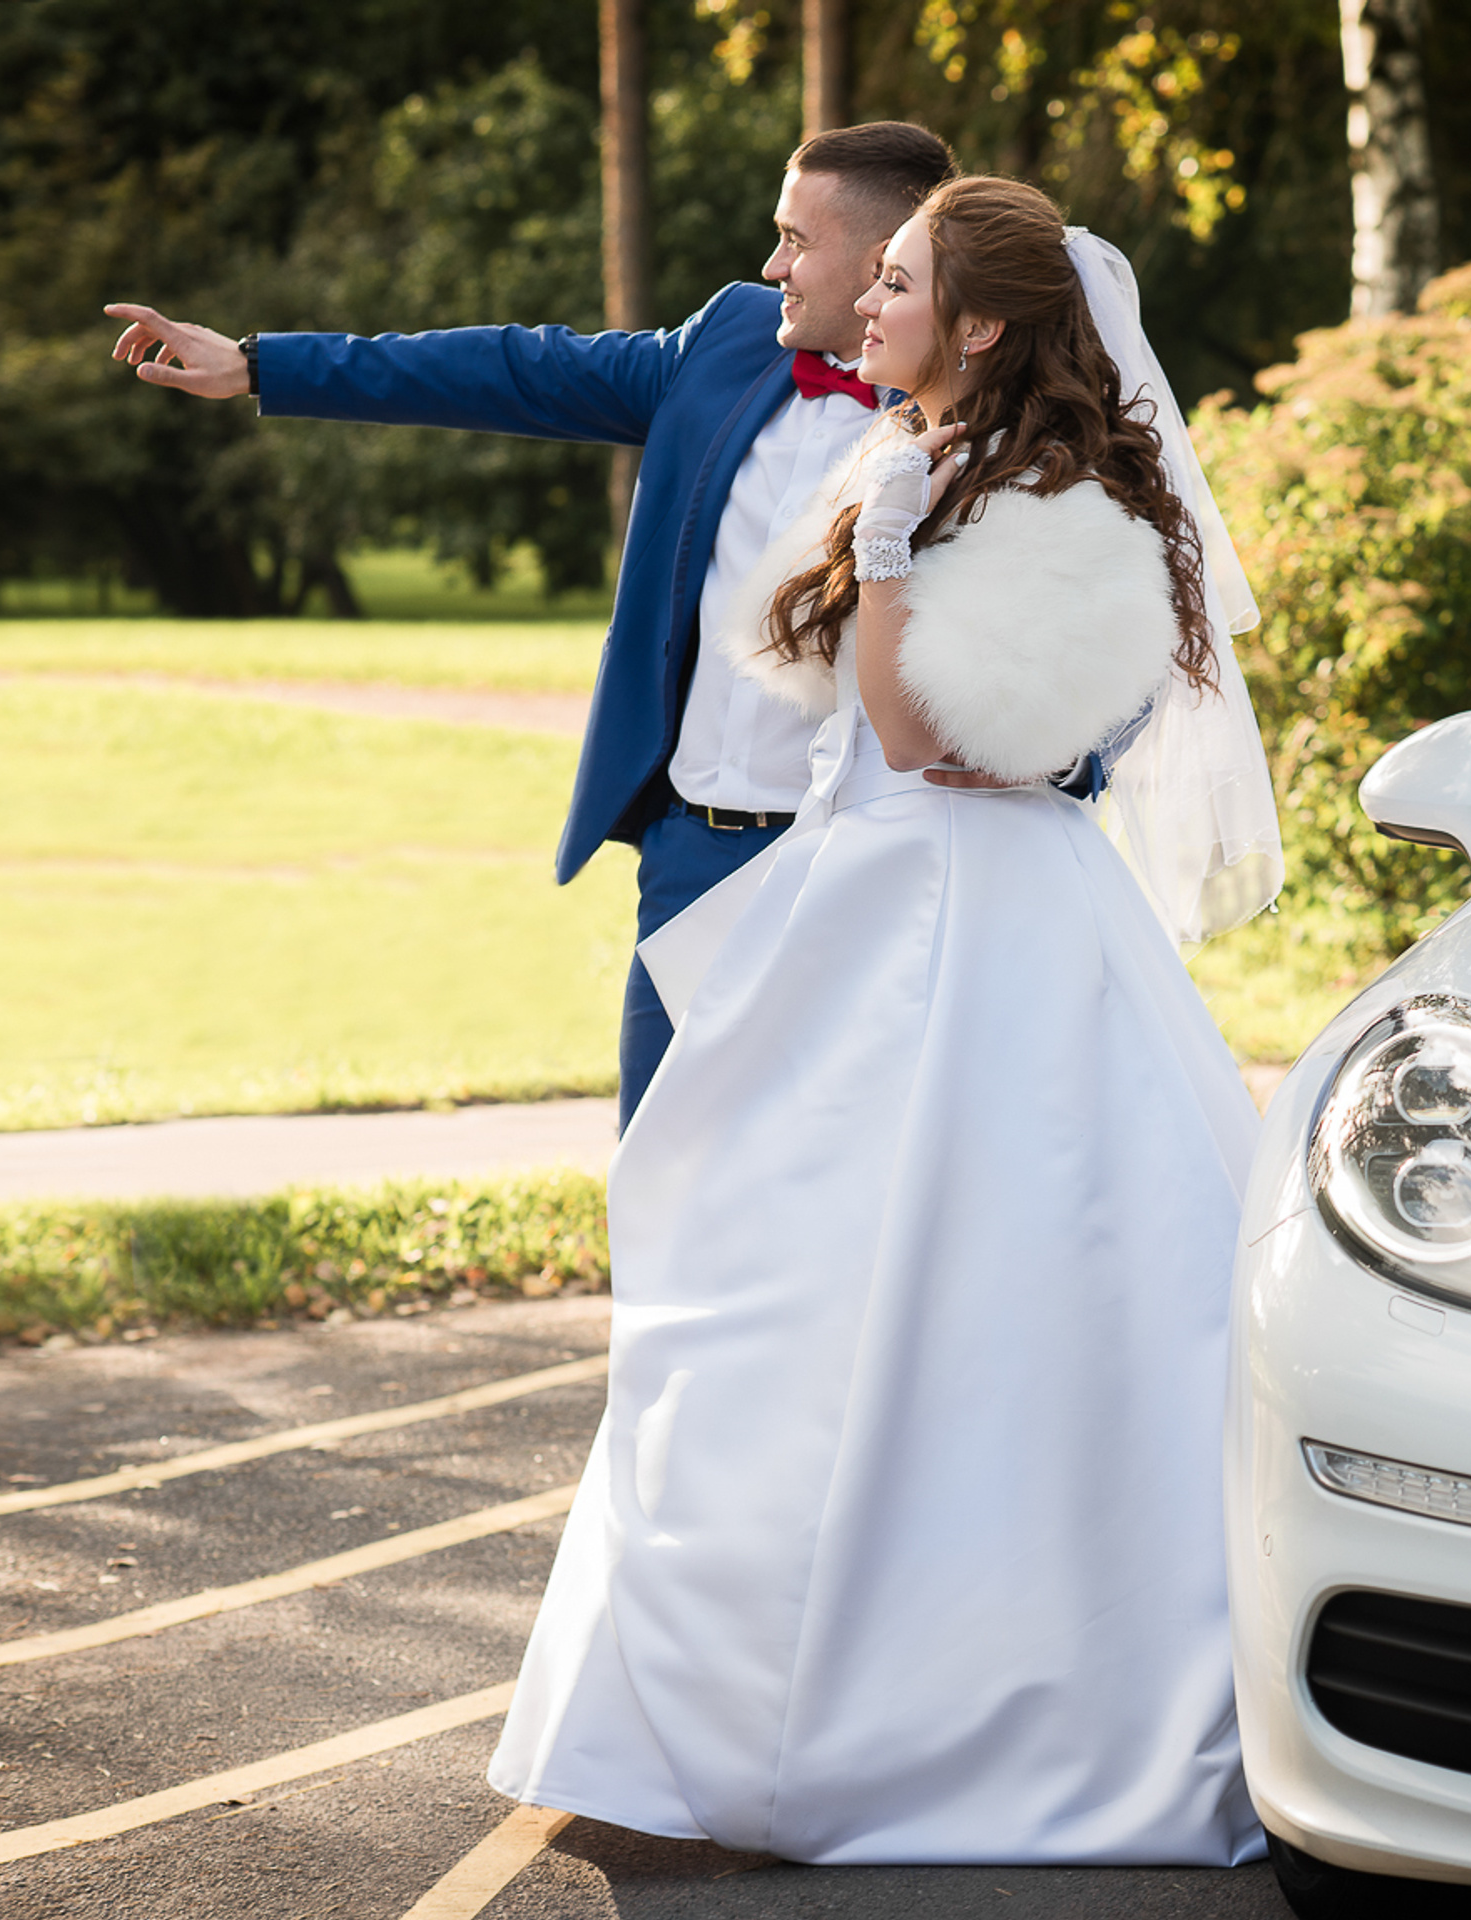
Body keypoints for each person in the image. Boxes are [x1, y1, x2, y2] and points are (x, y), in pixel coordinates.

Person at [486, 175, 1284, 1866]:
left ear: (978, 323)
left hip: (978, 931)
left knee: (960, 1326)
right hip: (858, 907)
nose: (863, 301)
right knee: (768, 1300)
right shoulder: (914, 461)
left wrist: (902, 548)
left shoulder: (1062, 502)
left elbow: (937, 739)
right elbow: (803, 698)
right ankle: (711, 1731)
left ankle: (896, 1732)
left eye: (897, 278)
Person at [104, 122, 967, 1127]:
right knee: (659, 1187)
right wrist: (263, 367)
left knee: (838, 1206)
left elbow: (1070, 644)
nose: (771, 264)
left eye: (794, 242)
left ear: (880, 264)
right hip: (691, 860)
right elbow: (515, 369)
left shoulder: (985, 426)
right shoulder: (730, 342)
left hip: (860, 877)